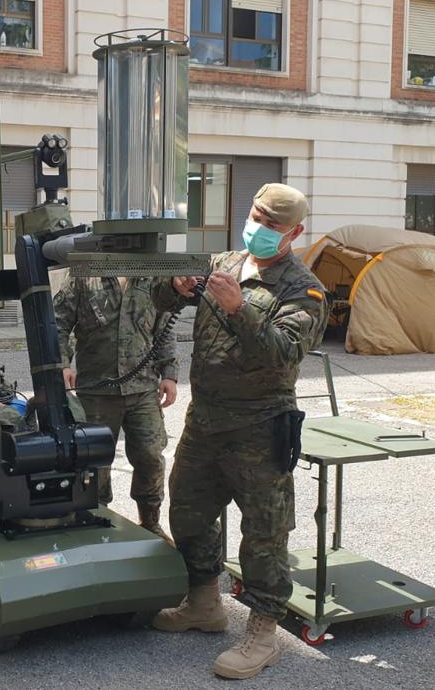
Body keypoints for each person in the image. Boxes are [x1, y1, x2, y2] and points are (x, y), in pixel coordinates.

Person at [150, 184, 328, 680]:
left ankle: (264, 631)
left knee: (265, 533)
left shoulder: (304, 289)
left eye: (272, 226)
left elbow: (285, 351)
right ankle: (204, 602)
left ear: (294, 232)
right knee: (187, 510)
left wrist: (238, 309)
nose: (259, 230)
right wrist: (176, 287)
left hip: (259, 425)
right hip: (205, 420)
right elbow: (158, 298)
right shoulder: (223, 262)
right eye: (255, 218)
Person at [54, 274, 178, 539]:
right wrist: (63, 363)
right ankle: (97, 521)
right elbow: (59, 323)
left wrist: (169, 373)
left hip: (142, 387)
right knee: (94, 463)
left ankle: (150, 522)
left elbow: (164, 327)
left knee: (150, 456)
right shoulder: (85, 274)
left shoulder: (153, 275)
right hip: (96, 388)